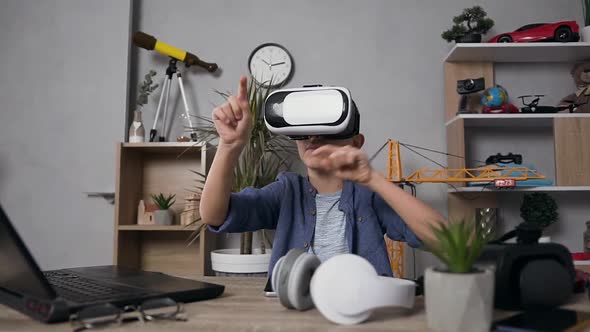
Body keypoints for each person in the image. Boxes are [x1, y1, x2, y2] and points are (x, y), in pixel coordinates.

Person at [200, 76, 446, 277]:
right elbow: (214, 216)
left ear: (356, 142)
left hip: (360, 309)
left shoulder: (368, 196)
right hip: (296, 313)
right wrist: (229, 146)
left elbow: (445, 239)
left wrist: (374, 179)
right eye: (305, 132)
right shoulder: (287, 191)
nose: (314, 138)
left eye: (326, 130)